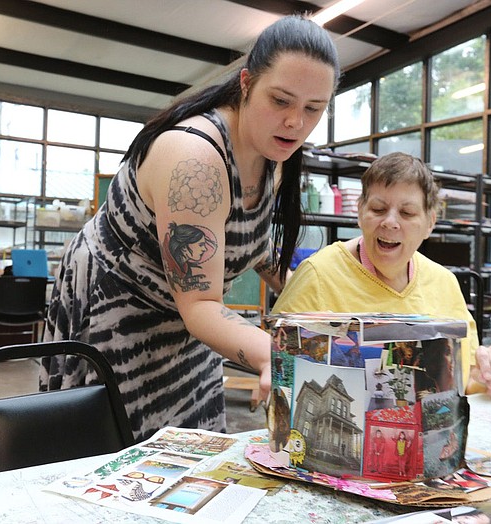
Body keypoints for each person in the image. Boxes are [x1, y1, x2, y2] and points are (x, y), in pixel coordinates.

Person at [39, 15, 340, 440]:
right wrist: (275, 354)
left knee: (187, 456)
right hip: (117, 314)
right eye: (280, 100)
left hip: (190, 323)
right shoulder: (194, 159)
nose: (295, 122)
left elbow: (248, 245)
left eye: (314, 108)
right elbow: (199, 302)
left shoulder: (271, 154)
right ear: (247, 83)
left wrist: (313, 299)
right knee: (114, 458)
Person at [271, 152, 491, 396]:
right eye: (378, 209)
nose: (390, 222)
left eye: (407, 213)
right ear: (360, 211)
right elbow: (278, 373)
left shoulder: (444, 283)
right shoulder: (318, 275)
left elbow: (462, 381)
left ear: (430, 223)